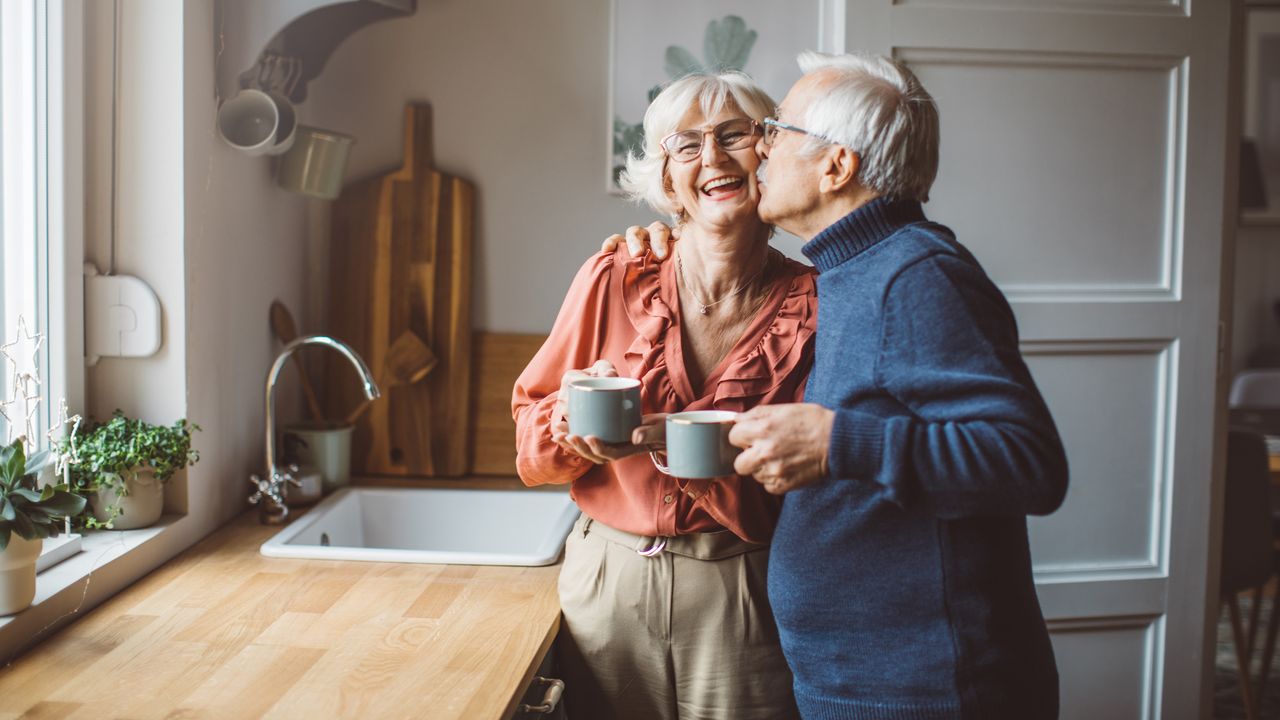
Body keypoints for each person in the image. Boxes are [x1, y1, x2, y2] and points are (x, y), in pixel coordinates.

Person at [605, 51, 1069, 720]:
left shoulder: (916, 274)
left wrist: (836, 444)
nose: (759, 148)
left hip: (925, 690)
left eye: (777, 131)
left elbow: (1029, 463)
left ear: (837, 165)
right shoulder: (851, 271)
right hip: (864, 680)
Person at [512, 70, 817, 720]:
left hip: (745, 586)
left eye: (734, 135)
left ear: (769, 154)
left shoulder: (817, 305)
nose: (711, 158)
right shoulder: (613, 275)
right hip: (608, 580)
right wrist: (569, 428)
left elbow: (818, 487)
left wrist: (696, 452)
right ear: (667, 178)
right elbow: (528, 443)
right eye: (687, 144)